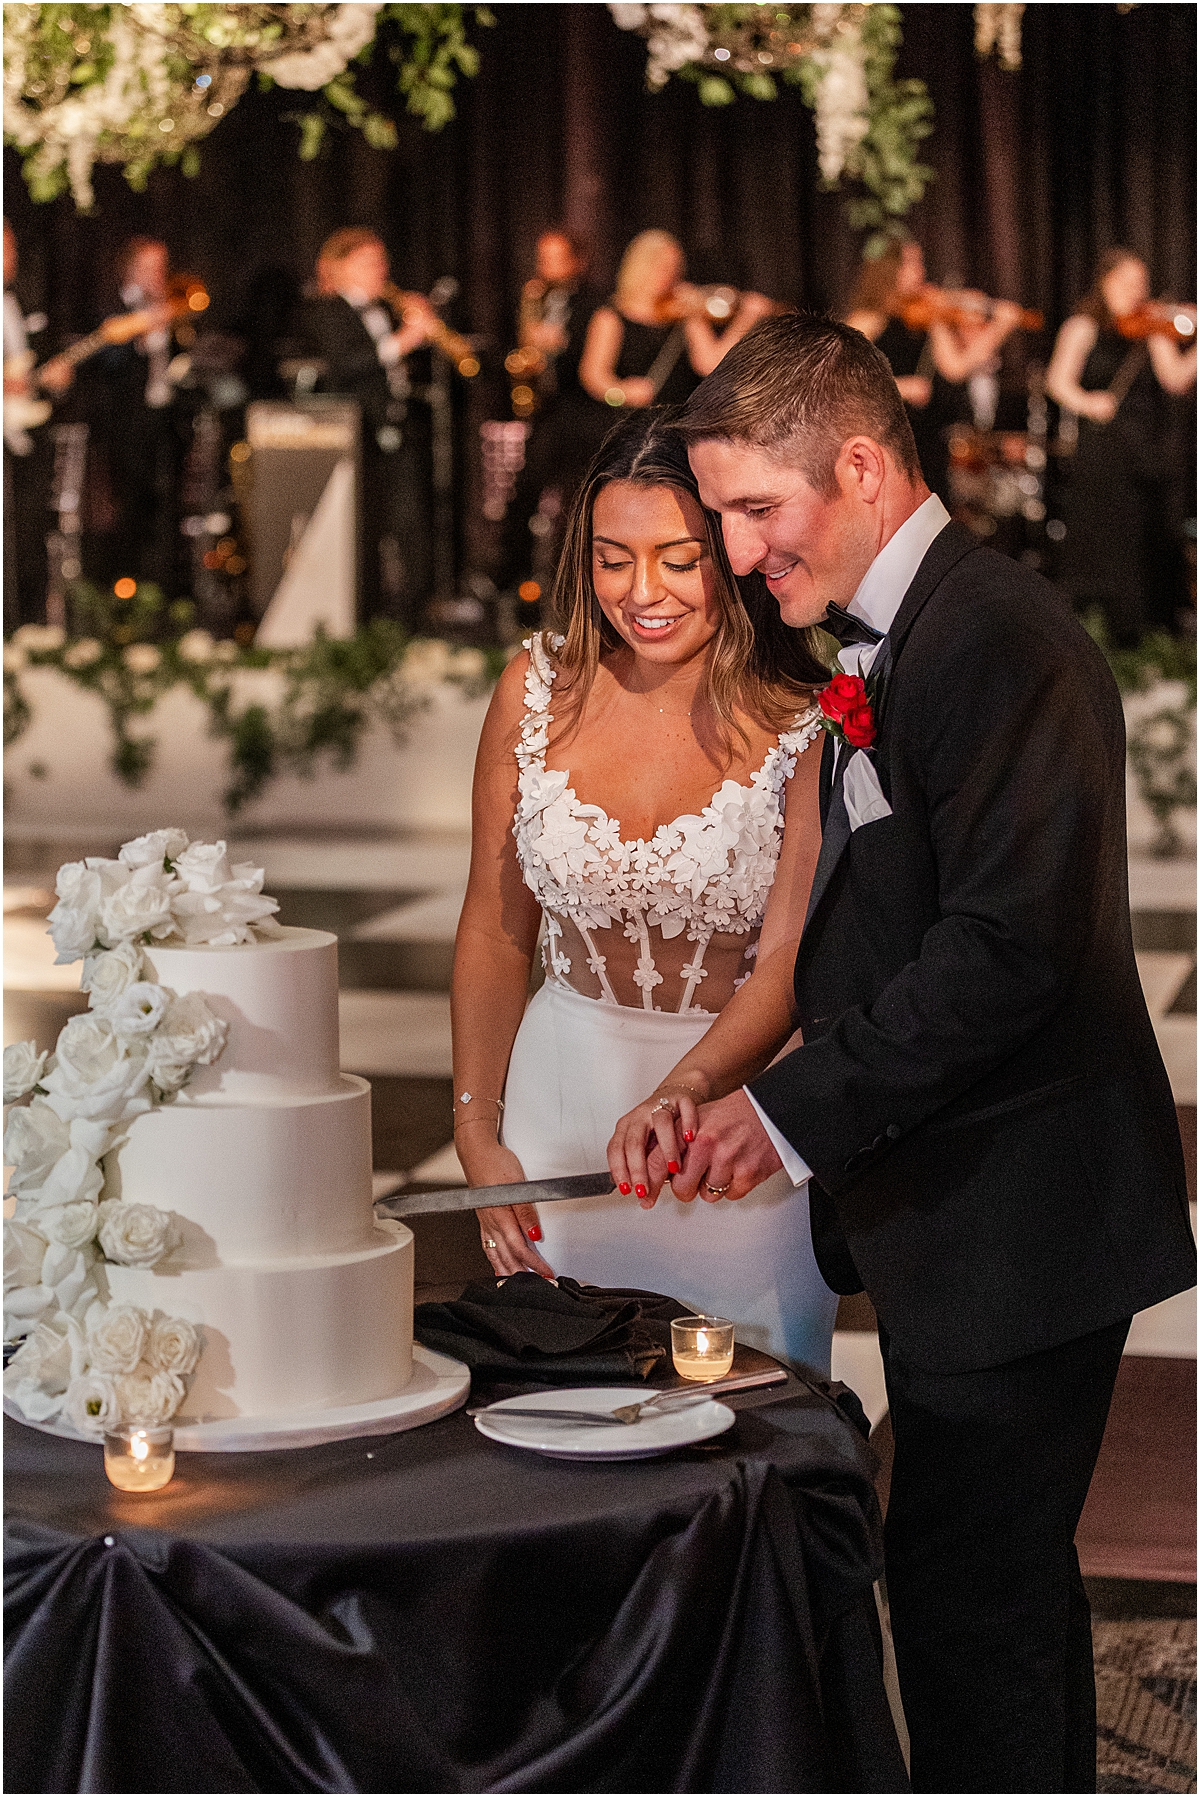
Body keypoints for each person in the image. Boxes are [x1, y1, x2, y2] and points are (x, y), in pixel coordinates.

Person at [608, 313, 1195, 1792]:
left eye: (757, 511)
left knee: (964, 1607)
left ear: (859, 466)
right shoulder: (901, 641)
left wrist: (788, 1114)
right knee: (988, 1593)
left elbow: (1008, 951)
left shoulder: (998, 639)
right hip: (966, 1208)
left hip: (1026, 1212)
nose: (740, 554)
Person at [451, 409, 839, 1369]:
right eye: (613, 558)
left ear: (733, 554)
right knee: (551, 1428)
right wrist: (476, 1130)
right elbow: (496, 928)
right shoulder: (533, 689)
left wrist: (684, 1097)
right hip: (555, 1124)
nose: (644, 591)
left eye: (677, 557)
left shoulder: (804, 724)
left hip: (729, 1148)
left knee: (744, 1441)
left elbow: (792, 959)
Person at [1046, 247, 1196, 645]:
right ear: (1105, 282)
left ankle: (1139, 633)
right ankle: (1094, 628)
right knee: (1103, 533)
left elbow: (1176, 380)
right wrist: (1088, 402)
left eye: (1142, 285)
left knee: (1140, 536)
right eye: (1128, 283)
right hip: (1101, 447)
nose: (1137, 293)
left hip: (1143, 446)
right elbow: (1057, 381)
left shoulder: (1149, 328)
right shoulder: (1083, 326)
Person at [296, 228, 441, 626]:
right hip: (358, 430)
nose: (382, 270)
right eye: (369, 263)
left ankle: (415, 612)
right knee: (369, 523)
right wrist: (405, 340)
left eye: (382, 261)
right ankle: (367, 614)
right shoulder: (328, 310)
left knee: (410, 521)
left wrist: (421, 329)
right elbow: (347, 365)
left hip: (398, 424)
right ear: (339, 268)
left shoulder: (385, 311)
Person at [845, 238, 1024, 504]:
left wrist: (1000, 327)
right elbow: (844, 379)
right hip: (886, 434)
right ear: (887, 269)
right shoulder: (869, 318)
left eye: (920, 263)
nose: (920, 272)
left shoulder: (930, 312)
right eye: (910, 263)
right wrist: (902, 386)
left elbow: (956, 368)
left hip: (925, 436)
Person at [496, 228, 602, 601]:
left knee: (576, 504)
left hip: (582, 414)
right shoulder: (536, 298)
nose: (546, 266)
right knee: (522, 495)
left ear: (577, 261)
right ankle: (513, 583)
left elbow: (595, 358)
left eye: (555, 258)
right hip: (546, 411)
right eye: (543, 258)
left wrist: (558, 344)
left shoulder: (594, 302)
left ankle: (568, 587)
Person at [82, 236, 191, 595]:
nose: (159, 276)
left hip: (166, 418)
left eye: (162, 268)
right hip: (127, 421)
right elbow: (101, 362)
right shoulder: (110, 308)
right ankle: (125, 583)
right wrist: (141, 333)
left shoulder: (169, 309)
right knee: (130, 501)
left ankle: (166, 583)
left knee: (168, 500)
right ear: (130, 270)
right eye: (150, 268)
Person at [4, 219, 71, 628]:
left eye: (10, 248)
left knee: (30, 533)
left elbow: (39, 364)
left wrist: (56, 379)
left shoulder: (25, 301)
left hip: (25, 433)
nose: (9, 258)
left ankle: (26, 627)